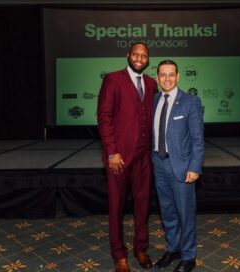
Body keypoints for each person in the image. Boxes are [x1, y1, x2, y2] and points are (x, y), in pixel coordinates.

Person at [97, 42, 158, 272]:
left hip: (144, 157)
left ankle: (141, 248)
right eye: (136, 54)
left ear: (148, 59)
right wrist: (112, 151)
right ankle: (119, 255)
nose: (140, 58)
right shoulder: (113, 79)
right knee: (116, 206)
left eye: (144, 55)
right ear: (128, 55)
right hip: (119, 158)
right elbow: (104, 117)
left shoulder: (152, 84)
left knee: (143, 205)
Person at [152, 60, 204, 272]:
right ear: (157, 77)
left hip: (182, 167)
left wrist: (195, 167)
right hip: (158, 163)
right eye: (163, 75)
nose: (167, 78)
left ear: (178, 76)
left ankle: (189, 256)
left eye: (171, 74)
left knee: (186, 213)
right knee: (168, 212)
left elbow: (197, 139)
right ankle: (173, 248)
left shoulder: (191, 101)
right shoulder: (154, 100)